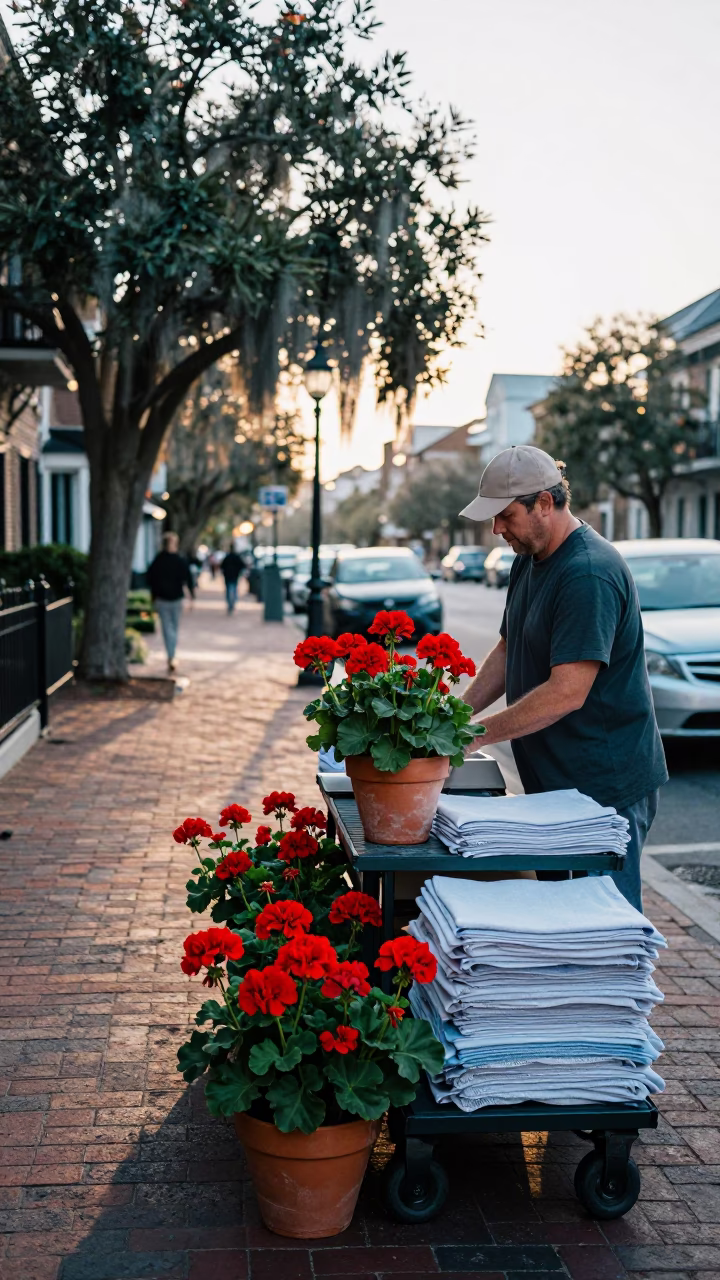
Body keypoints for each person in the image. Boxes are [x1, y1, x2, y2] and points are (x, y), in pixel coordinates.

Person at [459, 444, 667, 911]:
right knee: (563, 924)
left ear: (545, 504)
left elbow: (566, 693)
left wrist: (470, 738)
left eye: (505, 516)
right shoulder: (528, 559)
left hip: (602, 792)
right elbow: (508, 647)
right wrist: (455, 716)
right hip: (558, 788)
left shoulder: (587, 573)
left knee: (600, 936)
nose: (496, 529)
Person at [146, 532, 195, 673]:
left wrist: (153, 596)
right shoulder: (179, 560)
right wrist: (191, 596)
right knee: (172, 629)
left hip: (166, 599)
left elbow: (150, 579)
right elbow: (188, 579)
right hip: (171, 599)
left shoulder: (159, 560)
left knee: (169, 629)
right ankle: (172, 655)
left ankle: (171, 654)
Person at [221, 545, 245, 614]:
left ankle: (230, 604)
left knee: (229, 590)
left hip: (228, 576)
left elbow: (222, 566)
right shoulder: (236, 557)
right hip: (234, 576)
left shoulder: (227, 557)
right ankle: (232, 603)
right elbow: (242, 565)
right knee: (234, 589)